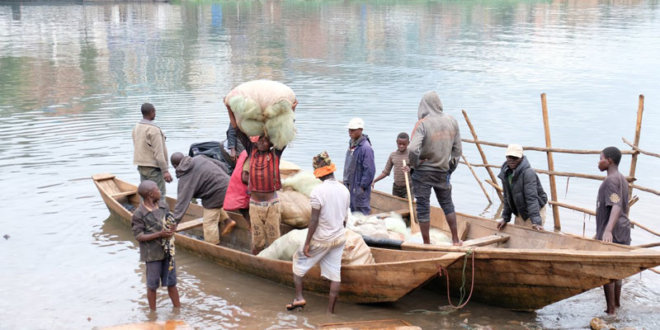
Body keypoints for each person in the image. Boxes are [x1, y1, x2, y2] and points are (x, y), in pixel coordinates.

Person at [289, 151, 350, 314]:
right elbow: (345, 219)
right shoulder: (344, 189)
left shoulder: (318, 192)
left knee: (298, 260)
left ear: (318, 173)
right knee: (335, 275)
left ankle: (299, 297)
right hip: (339, 238)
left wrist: (308, 243)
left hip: (322, 239)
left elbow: (314, 221)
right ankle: (330, 312)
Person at [406, 91, 462, 246]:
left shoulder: (423, 123)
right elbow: (457, 151)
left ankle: (427, 243)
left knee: (423, 206)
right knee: (447, 204)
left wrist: (414, 164)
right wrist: (450, 168)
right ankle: (456, 239)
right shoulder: (452, 121)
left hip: (423, 172)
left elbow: (412, 149)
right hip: (442, 171)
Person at [131, 180, 180, 310]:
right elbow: (139, 236)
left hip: (167, 251)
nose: (160, 191)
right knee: (152, 285)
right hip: (152, 255)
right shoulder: (139, 214)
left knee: (172, 283)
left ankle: (178, 310)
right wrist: (159, 234)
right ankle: (153, 313)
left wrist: (173, 227)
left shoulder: (164, 206)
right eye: (157, 189)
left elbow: (170, 220)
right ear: (151, 194)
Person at [596, 146, 631, 315]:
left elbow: (616, 206)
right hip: (623, 231)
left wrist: (607, 230)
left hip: (614, 232)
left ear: (609, 161)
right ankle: (616, 305)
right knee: (617, 270)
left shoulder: (611, 180)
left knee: (606, 271)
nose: (599, 161)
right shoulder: (622, 179)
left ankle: (610, 311)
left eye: (601, 158)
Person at [170, 152, 234, 245]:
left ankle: (214, 246)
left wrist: (174, 223)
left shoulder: (185, 179)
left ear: (175, 166)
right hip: (228, 183)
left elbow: (182, 203)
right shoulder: (199, 158)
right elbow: (221, 165)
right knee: (212, 204)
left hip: (216, 192)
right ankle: (228, 221)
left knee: (209, 223)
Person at [496, 144, 548, 231]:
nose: (512, 160)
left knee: (532, 238)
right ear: (506, 157)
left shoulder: (528, 173)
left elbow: (531, 198)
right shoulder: (506, 172)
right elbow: (507, 197)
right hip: (520, 210)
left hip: (535, 210)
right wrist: (505, 218)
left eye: (515, 158)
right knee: (519, 235)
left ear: (521, 158)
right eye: (510, 157)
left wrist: (536, 221)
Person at [132, 103, 173, 199]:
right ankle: (161, 214)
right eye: (155, 111)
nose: (155, 114)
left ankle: (145, 213)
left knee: (145, 193)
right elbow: (159, 153)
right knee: (159, 195)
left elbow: (136, 145)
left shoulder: (136, 127)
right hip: (153, 169)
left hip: (141, 166)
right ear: (152, 112)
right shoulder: (153, 130)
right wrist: (165, 171)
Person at [343, 117, 375, 215]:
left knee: (361, 212)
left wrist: (362, 186)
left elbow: (370, 170)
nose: (350, 132)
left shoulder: (366, 148)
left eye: (353, 130)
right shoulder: (352, 145)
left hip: (359, 187)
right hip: (349, 185)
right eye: (349, 130)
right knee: (350, 211)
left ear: (360, 130)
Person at [372, 132, 410, 199]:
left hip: (408, 188)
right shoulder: (393, 155)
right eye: (399, 144)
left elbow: (417, 169)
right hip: (396, 188)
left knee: (408, 207)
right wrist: (374, 181)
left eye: (404, 144)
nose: (401, 146)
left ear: (408, 143)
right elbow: (385, 172)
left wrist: (410, 169)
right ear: (396, 142)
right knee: (395, 207)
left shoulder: (411, 155)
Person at [223, 150, 251, 227]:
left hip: (236, 188)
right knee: (249, 217)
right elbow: (245, 178)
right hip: (242, 191)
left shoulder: (245, 152)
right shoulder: (250, 154)